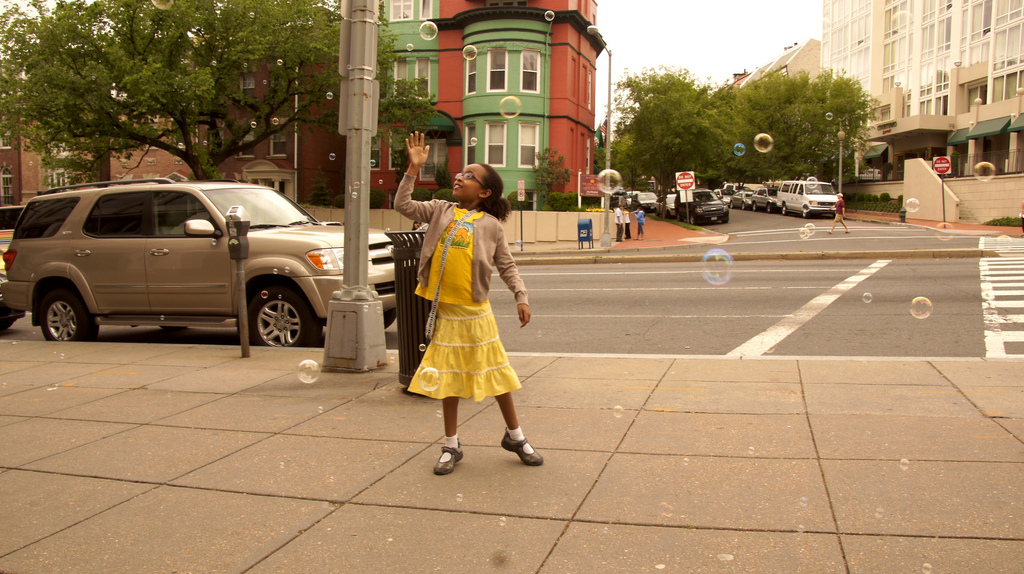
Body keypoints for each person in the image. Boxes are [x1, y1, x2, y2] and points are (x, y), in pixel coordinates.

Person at [395, 131, 542, 476]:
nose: (460, 177)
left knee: (498, 376)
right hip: (446, 311)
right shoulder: (440, 210)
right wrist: (412, 170)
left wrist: (521, 296)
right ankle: (451, 444)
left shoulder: (491, 225)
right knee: (448, 378)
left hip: (477, 313)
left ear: (485, 192)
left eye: (469, 176)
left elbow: (506, 265)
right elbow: (403, 205)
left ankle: (515, 436)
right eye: (461, 173)